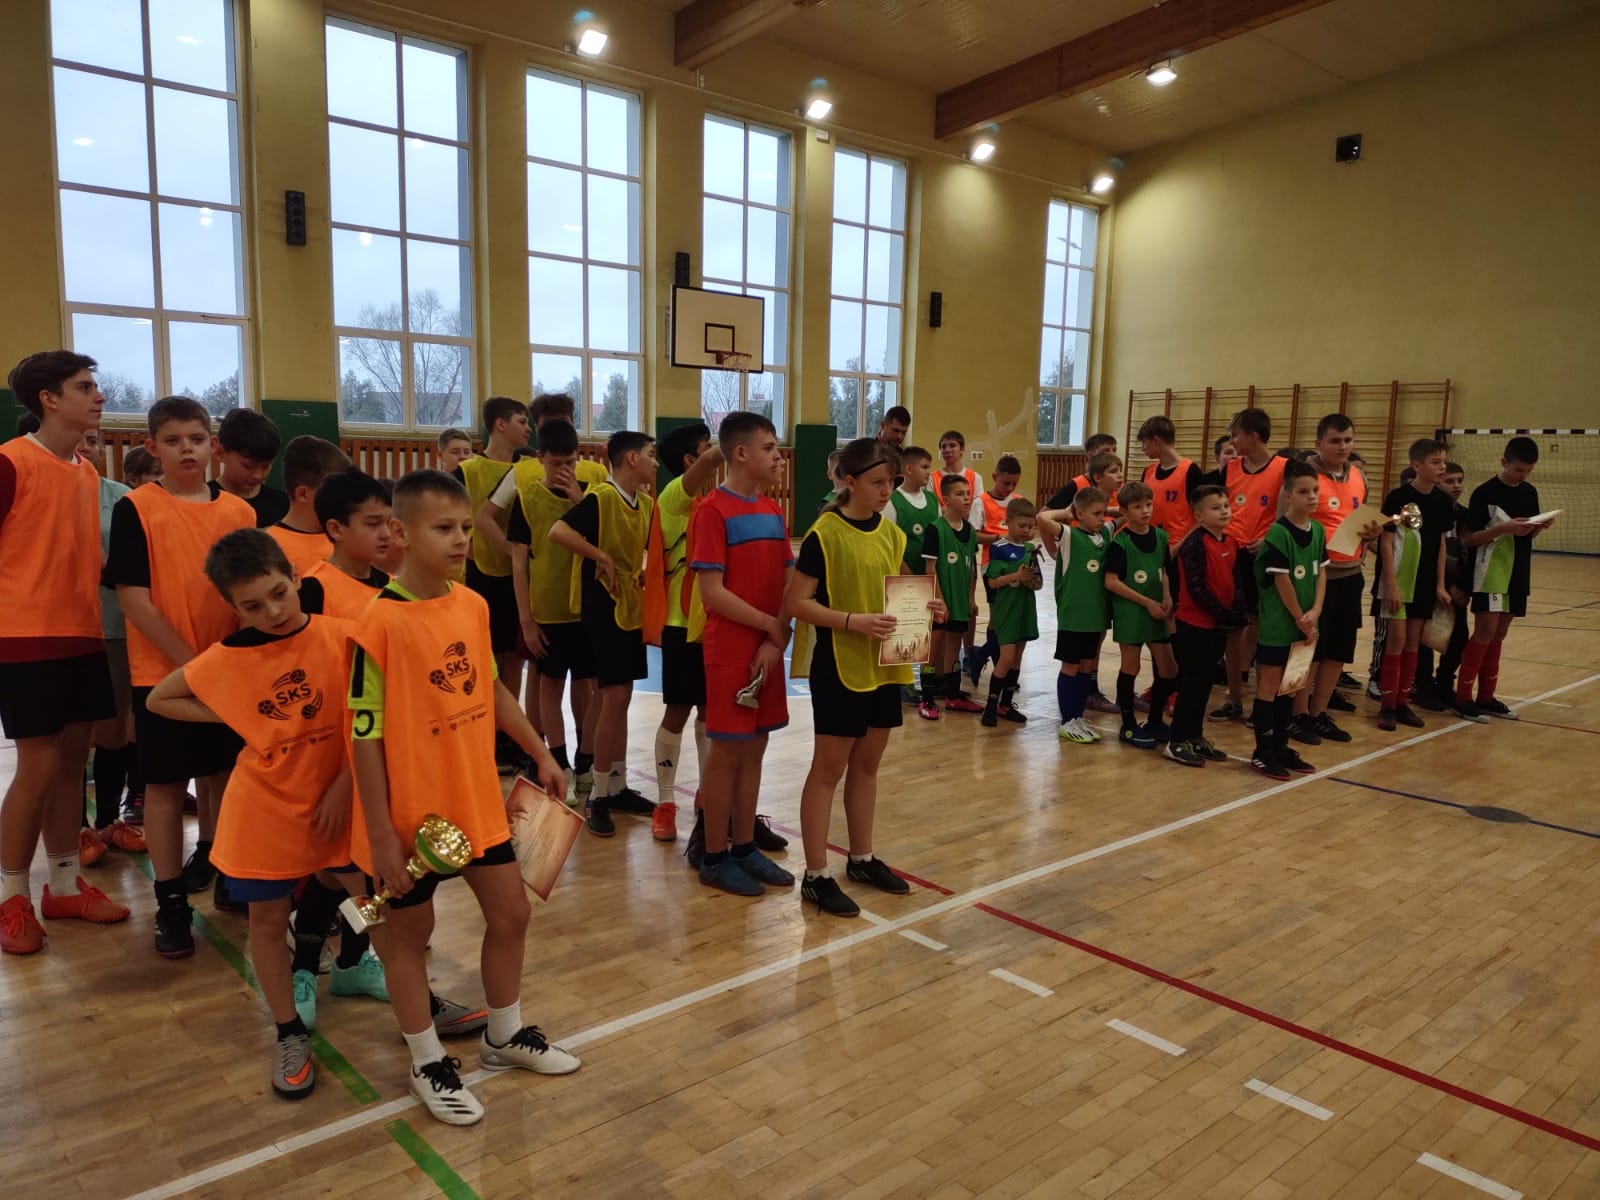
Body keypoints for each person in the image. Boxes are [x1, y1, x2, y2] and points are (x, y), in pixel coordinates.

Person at [346, 469, 578, 1126]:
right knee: (406, 939)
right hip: (406, 820)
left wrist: (540, 752)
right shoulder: (377, 623)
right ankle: (426, 1061)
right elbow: (364, 737)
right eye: (443, 528)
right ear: (399, 532)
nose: (459, 540)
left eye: (465, 528)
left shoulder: (472, 604)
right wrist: (382, 836)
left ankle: (503, 1036)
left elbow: (492, 688)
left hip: (476, 805)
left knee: (512, 915)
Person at [145, 530, 374, 1098]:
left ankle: (408, 998)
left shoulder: (344, 636)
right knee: (268, 925)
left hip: (340, 800)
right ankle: (289, 1031)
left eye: (278, 593)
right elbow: (158, 698)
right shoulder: (228, 657)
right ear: (233, 607)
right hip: (265, 807)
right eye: (252, 606)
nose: (272, 612)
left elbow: (373, 717)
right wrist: (237, 713)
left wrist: (345, 783)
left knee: (380, 907)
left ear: (295, 578)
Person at [105, 395, 255, 953]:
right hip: (162, 678)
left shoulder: (239, 513)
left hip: (230, 674)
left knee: (231, 777)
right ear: (152, 447)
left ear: (212, 445)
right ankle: (170, 904)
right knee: (166, 789)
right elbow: (134, 600)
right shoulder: (137, 508)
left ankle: (232, 875)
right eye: (172, 441)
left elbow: (250, 597)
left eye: (195, 439)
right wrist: (195, 665)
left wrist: (236, 662)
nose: (186, 449)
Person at [0, 351, 128, 955]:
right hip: (24, 640)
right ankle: (11, 897)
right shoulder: (10, 462)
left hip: (83, 636)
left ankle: (64, 885)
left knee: (74, 764)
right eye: (84, 387)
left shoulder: (85, 473)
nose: (98, 396)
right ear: (49, 399)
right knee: (38, 768)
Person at [787, 438, 944, 918]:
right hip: (840, 666)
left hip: (885, 665)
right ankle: (816, 875)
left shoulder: (891, 534)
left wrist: (926, 606)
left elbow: (901, 588)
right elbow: (796, 603)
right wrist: (852, 621)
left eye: (891, 482)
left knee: (868, 767)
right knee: (828, 770)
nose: (886, 491)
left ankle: (861, 858)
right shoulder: (824, 533)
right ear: (850, 482)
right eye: (877, 482)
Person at [687, 413, 796, 895]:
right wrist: (768, 626)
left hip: (766, 648)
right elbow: (712, 593)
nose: (778, 457)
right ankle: (713, 856)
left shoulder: (772, 511)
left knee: (756, 749)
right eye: (769, 448)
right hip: (731, 649)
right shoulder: (712, 511)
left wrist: (775, 639)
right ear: (741, 453)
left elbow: (789, 582)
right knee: (726, 754)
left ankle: (744, 847)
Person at [549, 430, 659, 837]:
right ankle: (596, 794)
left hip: (630, 605)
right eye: (650, 454)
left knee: (622, 698)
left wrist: (644, 571)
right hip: (603, 607)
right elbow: (559, 532)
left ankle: (617, 785)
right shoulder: (601, 497)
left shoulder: (645, 504)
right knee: (613, 697)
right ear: (630, 459)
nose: (655, 462)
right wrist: (601, 556)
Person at [647, 423, 722, 844]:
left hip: (710, 624)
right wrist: (741, 444)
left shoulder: (713, 504)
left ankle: (707, 795)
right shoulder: (674, 496)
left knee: (710, 714)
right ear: (690, 460)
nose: (712, 453)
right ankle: (664, 802)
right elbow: (712, 459)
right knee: (677, 713)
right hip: (679, 625)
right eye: (706, 448)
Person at [1290, 415, 1380, 746]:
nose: (1343, 447)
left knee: (1338, 650)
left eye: (1348, 440)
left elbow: (1357, 519)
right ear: (1319, 443)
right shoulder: (1305, 476)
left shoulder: (1358, 475)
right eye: (1335, 441)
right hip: (1314, 577)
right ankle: (1296, 715)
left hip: (1350, 573)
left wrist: (1371, 532)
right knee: (1308, 650)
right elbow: (1289, 522)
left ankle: (1318, 713)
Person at [78, 426, 146, 860]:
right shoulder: (43, 491)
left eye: (94, 440)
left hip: (115, 628)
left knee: (114, 730)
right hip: (62, 629)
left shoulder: (122, 498)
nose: (87, 448)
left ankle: (106, 823)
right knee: (67, 739)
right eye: (81, 439)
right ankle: (75, 830)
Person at [454, 396, 532, 772]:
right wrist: (505, 549)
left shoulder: (529, 469)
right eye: (521, 421)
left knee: (513, 658)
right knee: (485, 660)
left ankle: (508, 735)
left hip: (519, 577)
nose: (528, 428)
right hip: (480, 573)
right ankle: (481, 733)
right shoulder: (466, 471)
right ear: (500, 424)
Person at [1453, 437, 1552, 722]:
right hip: (1490, 571)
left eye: (1529, 471)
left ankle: (1486, 697)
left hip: (1517, 571)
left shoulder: (1529, 492)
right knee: (1484, 633)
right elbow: (1469, 539)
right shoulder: (1484, 493)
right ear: (1504, 462)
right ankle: (1463, 698)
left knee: (1499, 635)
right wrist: (1503, 529)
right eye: (1519, 470)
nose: (1524, 476)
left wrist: (1540, 526)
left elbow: (1527, 534)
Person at [1249, 462, 1325, 778]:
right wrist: (1300, 618)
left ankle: (1281, 746)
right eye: (1304, 492)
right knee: (1269, 687)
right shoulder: (1278, 533)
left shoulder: (1318, 530)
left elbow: (1321, 573)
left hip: (1306, 625)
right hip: (1280, 626)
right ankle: (1262, 751)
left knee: (1291, 688)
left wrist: (1316, 611)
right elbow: (1282, 582)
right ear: (1288, 496)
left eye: (1315, 491)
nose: (1312, 497)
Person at [1375, 440, 1455, 731]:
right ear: (1416, 465)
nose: (1442, 467)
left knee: (1413, 643)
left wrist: (1440, 584)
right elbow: (1386, 541)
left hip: (1424, 583)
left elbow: (1441, 544)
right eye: (1436, 462)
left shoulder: (1443, 501)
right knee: (1395, 641)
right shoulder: (1398, 497)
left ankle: (1401, 702)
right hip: (1398, 580)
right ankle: (1386, 706)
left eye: (1443, 461)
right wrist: (1390, 585)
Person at [1211, 408, 1286, 721]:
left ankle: (1265, 701)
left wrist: (1269, 537)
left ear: (1253, 436)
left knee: (1262, 626)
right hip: (1232, 554)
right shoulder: (1230, 468)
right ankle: (1233, 696)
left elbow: (1289, 513)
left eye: (1235, 435)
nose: (1232, 441)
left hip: (1264, 556)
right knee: (1233, 628)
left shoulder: (1283, 468)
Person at [1165, 487, 1248, 767]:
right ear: (1199, 516)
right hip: (1194, 624)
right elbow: (1196, 587)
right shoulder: (1194, 544)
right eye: (1216, 507)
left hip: (1217, 625)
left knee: (1205, 684)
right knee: (1192, 683)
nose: (1224, 511)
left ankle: (1195, 736)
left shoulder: (1231, 542)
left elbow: (1235, 579)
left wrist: (1238, 609)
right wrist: (1222, 613)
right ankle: (1177, 740)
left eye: (1226, 505)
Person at [1103, 481, 1178, 748]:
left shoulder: (1161, 537)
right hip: (1132, 612)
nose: (1145, 510)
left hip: (1157, 610)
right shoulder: (1119, 542)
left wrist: (1167, 597)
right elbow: (1111, 581)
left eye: (1148, 504)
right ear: (1124, 511)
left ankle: (1155, 721)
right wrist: (1146, 602)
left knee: (1169, 669)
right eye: (1137, 507)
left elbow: (1164, 571)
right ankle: (1128, 725)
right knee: (1131, 666)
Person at [1037, 488, 1111, 744]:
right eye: (1096, 513)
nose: (1102, 518)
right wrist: (1067, 513)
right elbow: (1042, 518)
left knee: (1087, 666)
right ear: (1080, 514)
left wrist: (1109, 510)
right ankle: (1067, 720)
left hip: (1095, 616)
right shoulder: (1069, 535)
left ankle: (1078, 717)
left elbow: (1125, 514)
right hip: (1073, 616)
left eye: (1103, 512)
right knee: (1071, 666)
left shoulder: (1104, 534)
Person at [920, 473, 980, 720]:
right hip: (940, 602)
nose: (966, 498)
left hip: (960, 602)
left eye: (968, 494)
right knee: (932, 650)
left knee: (954, 649)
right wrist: (940, 600)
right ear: (945, 500)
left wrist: (971, 598)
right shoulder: (935, 529)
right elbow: (930, 569)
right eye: (959, 494)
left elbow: (972, 568)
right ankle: (926, 699)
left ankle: (953, 696)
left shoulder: (971, 531)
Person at [300, 468, 393, 619]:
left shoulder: (391, 585)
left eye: (388, 523)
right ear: (336, 529)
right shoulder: (314, 590)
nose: (386, 534)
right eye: (373, 524)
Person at [1414, 462, 1471, 709]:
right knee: (1424, 639)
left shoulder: (1465, 515)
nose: (1456, 485)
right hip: (1428, 584)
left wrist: (1463, 586)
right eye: (1449, 481)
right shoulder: (1423, 512)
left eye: (1459, 480)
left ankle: (1445, 684)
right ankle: (1423, 687)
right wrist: (1441, 584)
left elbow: (1469, 553)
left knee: (1459, 638)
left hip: (1457, 589)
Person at [979, 498, 1040, 727]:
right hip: (1006, 609)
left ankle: (1006, 704)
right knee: (1006, 658)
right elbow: (993, 582)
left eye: (1030, 526)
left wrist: (1033, 580)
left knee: (1017, 657)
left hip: (1025, 607)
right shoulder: (1000, 548)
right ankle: (990, 706)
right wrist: (1017, 576)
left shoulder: (1030, 549)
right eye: (1022, 525)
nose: (1026, 530)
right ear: (1008, 522)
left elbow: (1037, 582)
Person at [886, 445, 936, 703]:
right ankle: (902, 682)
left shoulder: (933, 501)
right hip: (903, 577)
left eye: (929, 467)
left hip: (929, 575)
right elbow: (889, 544)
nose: (928, 472)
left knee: (923, 630)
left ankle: (926, 678)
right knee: (902, 629)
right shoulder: (893, 501)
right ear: (908, 469)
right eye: (924, 467)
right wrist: (906, 576)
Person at [267, 436, 353, 576]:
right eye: (335, 492)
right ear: (303, 494)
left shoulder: (347, 539)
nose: (345, 501)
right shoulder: (269, 548)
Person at [210, 409, 289, 527]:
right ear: (220, 453)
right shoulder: (205, 500)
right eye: (248, 466)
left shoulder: (283, 504)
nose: (257, 475)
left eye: (265, 466)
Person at [1138, 415, 1202, 546]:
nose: (1142, 448)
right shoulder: (1148, 472)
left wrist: (1178, 547)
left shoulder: (1190, 471)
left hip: (1180, 547)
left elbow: (1202, 517)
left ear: (1156, 440)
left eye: (1144, 442)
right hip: (1152, 545)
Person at [1045, 433, 1118, 510]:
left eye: (1114, 450)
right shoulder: (1075, 486)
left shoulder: (1119, 484)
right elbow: (1043, 514)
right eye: (1106, 451)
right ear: (1091, 455)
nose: (1113, 454)